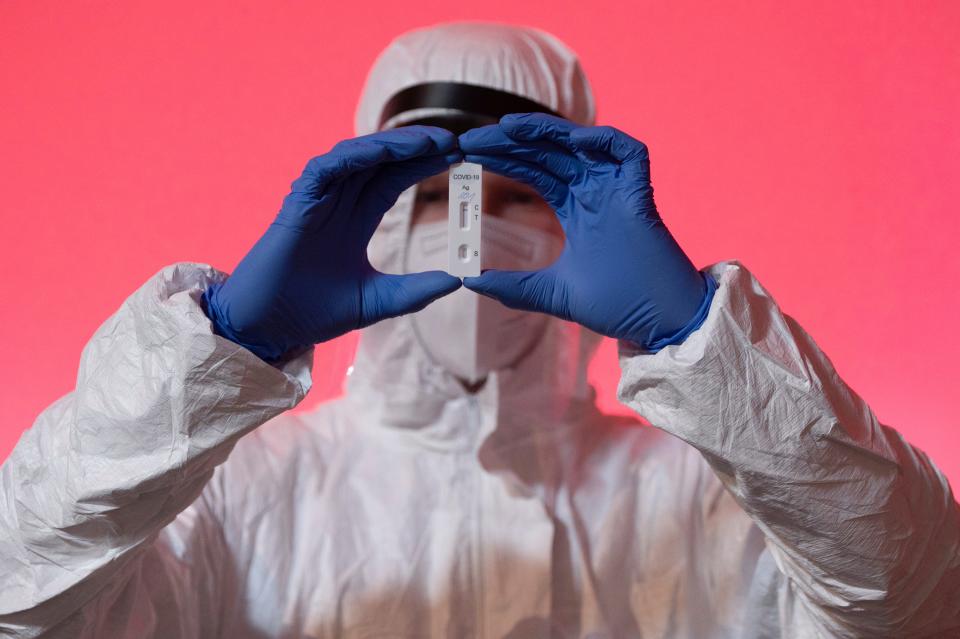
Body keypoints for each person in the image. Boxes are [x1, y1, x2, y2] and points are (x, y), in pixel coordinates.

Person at [1, 21, 957, 639]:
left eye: (519, 195)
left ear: (584, 223)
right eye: (425, 194)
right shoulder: (243, 497)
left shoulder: (704, 504)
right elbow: (18, 597)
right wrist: (212, 352)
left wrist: (702, 341)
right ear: (360, 218)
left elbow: (919, 600)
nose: (469, 233)